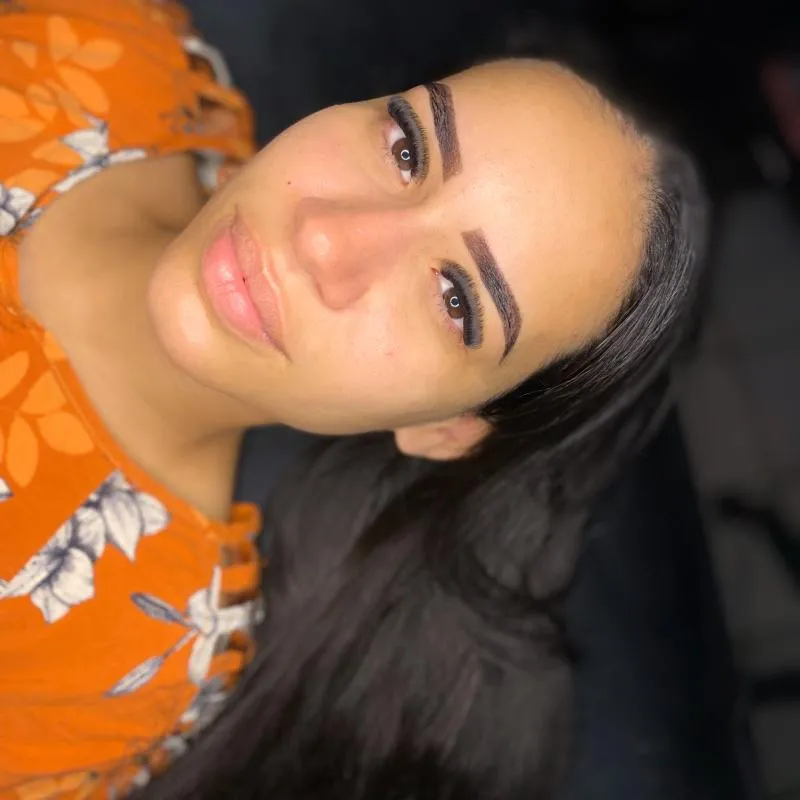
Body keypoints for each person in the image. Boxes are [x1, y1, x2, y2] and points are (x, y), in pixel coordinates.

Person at [0, 0, 706, 797]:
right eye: (408, 147)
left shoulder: (109, 663)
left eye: (456, 300)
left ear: (446, 428)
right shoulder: (101, 41)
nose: (326, 238)